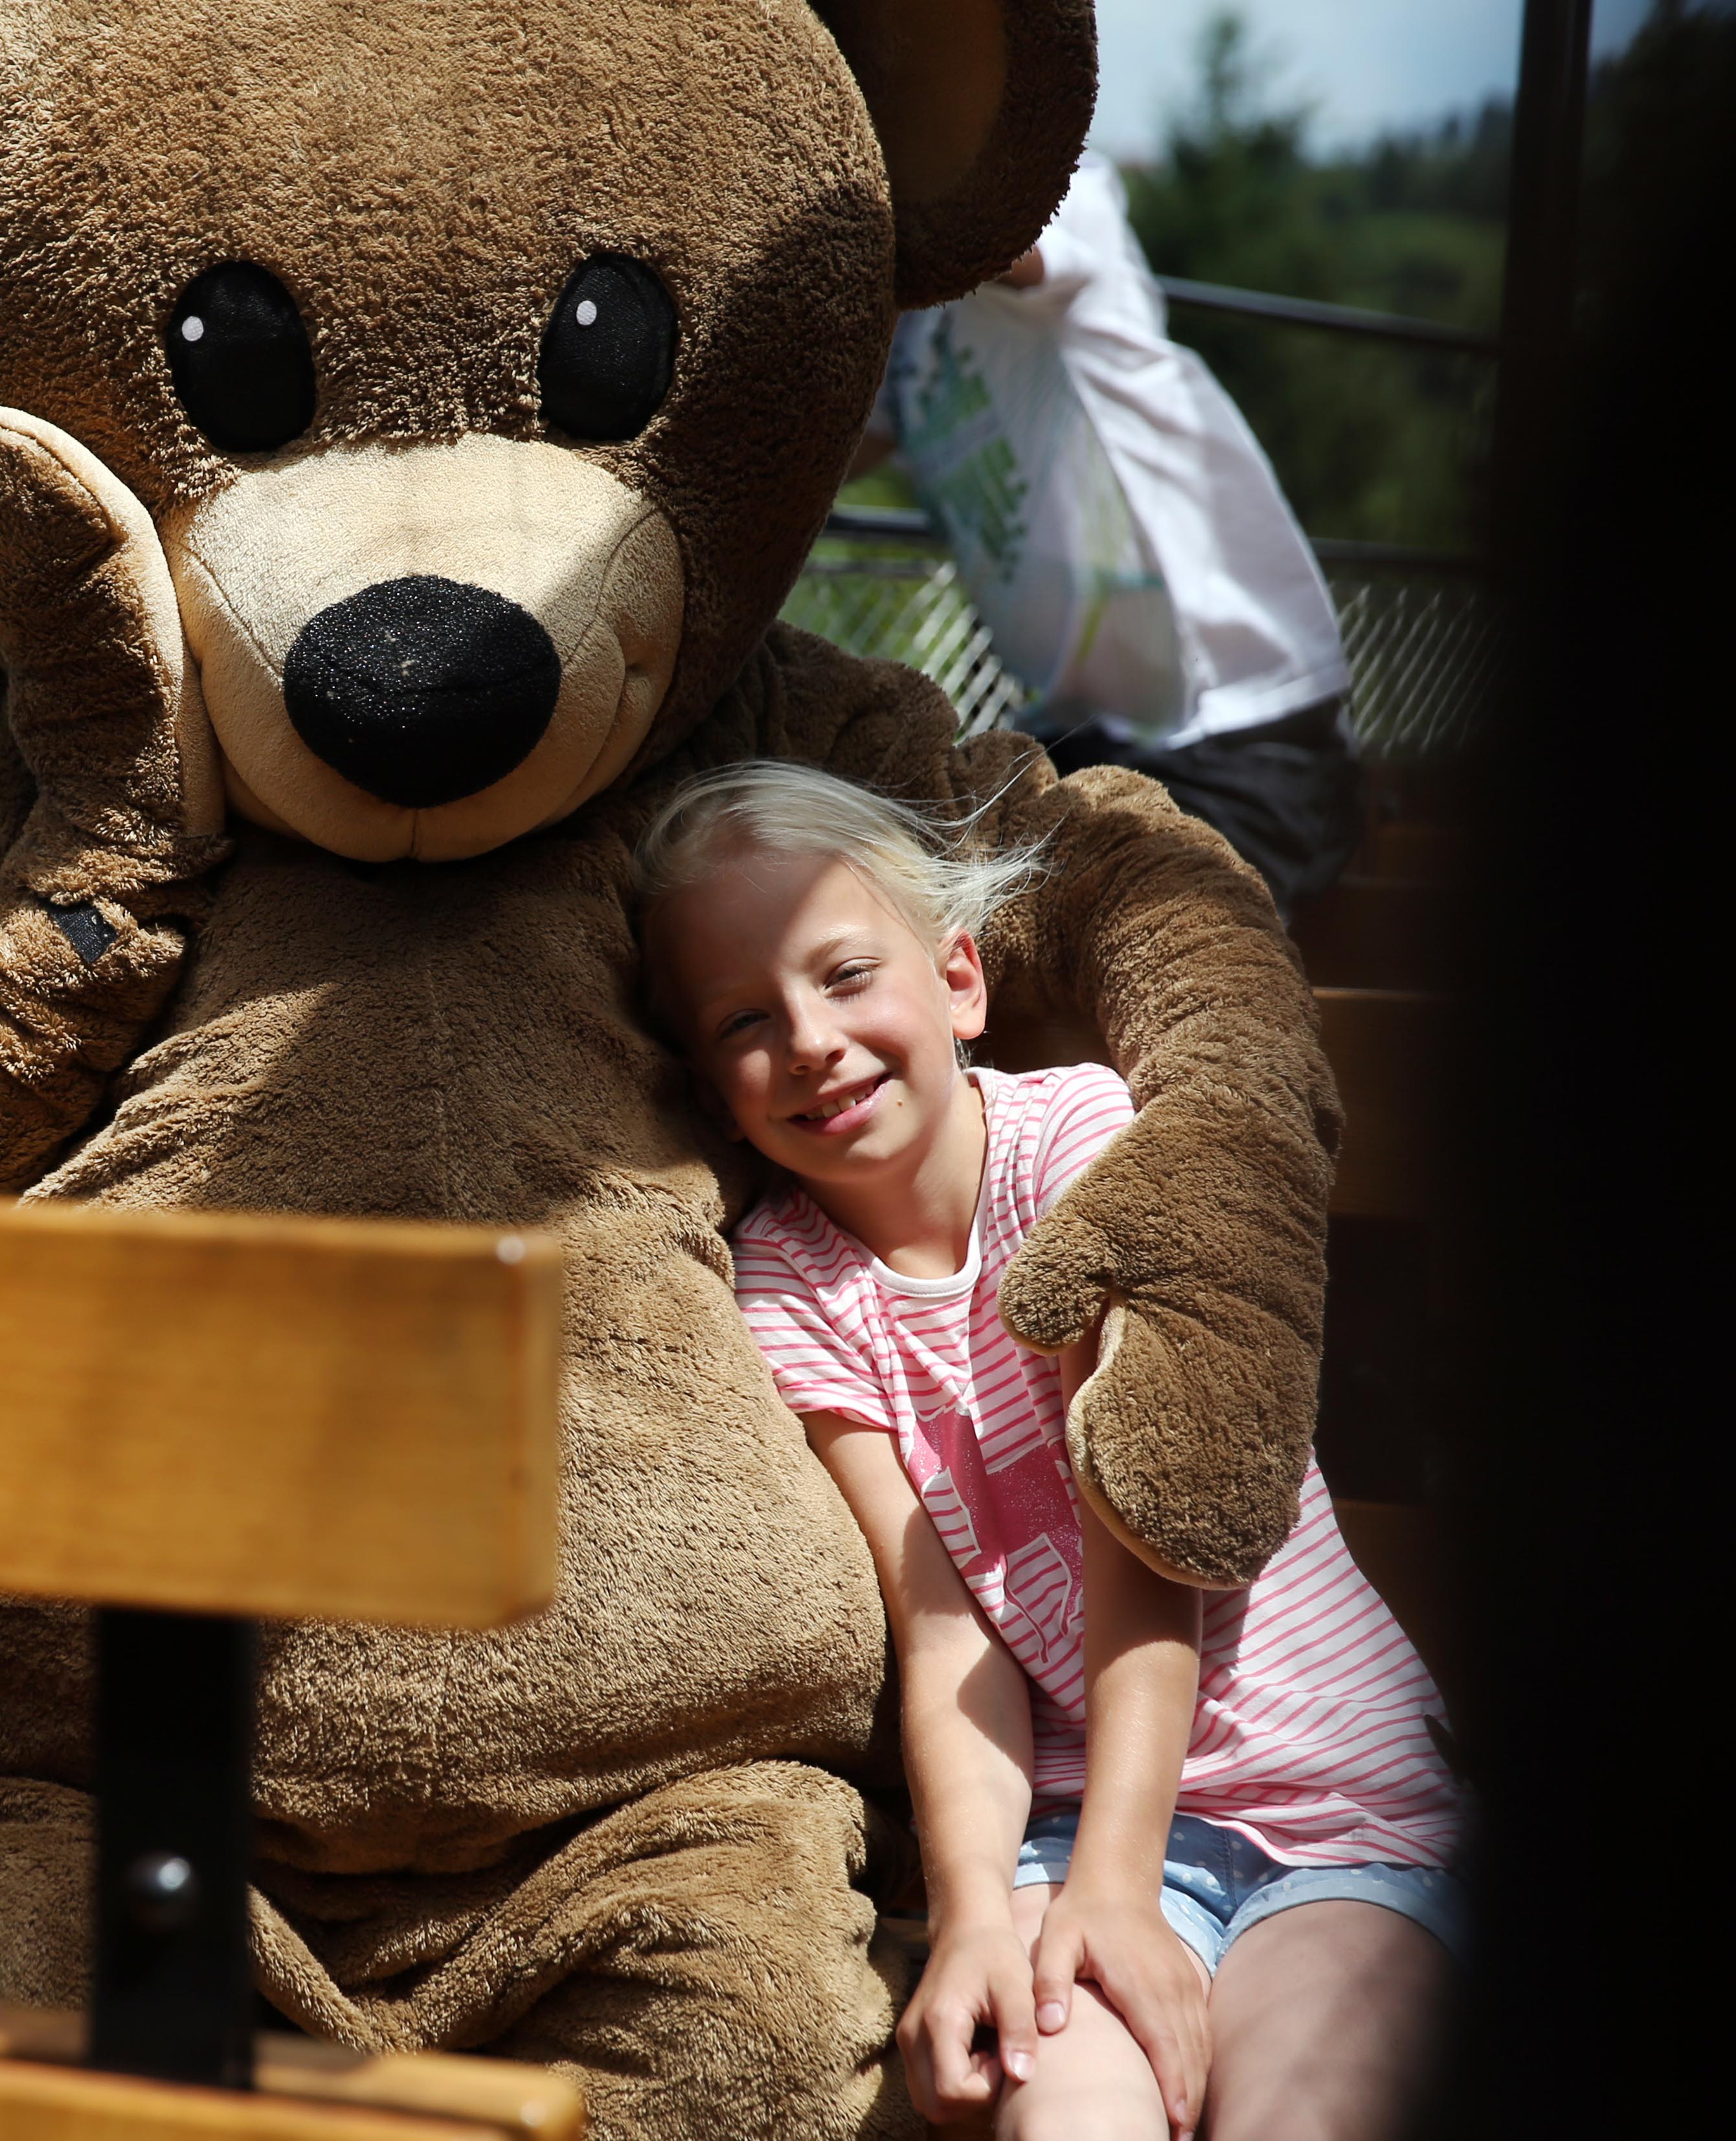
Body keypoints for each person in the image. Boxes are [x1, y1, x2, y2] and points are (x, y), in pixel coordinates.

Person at [635, 761, 1461, 2140]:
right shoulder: (783, 1291)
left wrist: (1121, 1890)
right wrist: (969, 1915)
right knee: (1063, 2115)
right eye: (743, 1018)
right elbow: (939, 1626)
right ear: (712, 1092)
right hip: (1065, 1823)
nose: (811, 1039)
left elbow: (1142, 1542)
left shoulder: (1076, 1144)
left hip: (1332, 1811)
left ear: (957, 979)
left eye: (844, 974)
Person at [853, 153, 1360, 910]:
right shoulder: (910, 341)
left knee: (1098, 932)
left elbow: (1000, 238)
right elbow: (815, 452)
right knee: (909, 876)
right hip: (1082, 732)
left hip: (1238, 725)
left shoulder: (1059, 197)